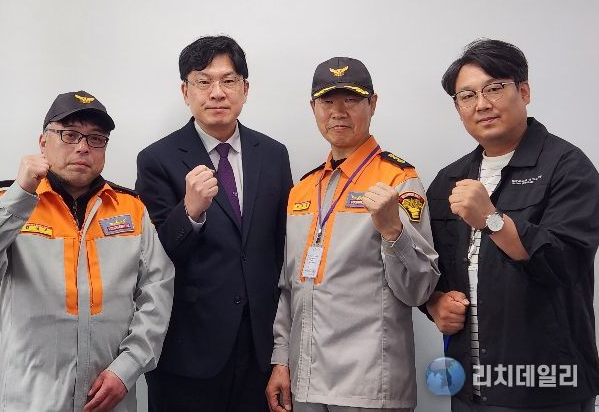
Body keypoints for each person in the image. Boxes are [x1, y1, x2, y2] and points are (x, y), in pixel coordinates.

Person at [0, 91, 174, 412]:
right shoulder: (6, 201)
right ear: (43, 142)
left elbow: (158, 293)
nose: (83, 147)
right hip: (32, 401)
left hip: (110, 399)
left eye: (96, 139)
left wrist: (127, 369)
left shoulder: (131, 208)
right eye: (69, 135)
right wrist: (21, 193)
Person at [423, 39, 599, 411]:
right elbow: (432, 265)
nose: (481, 104)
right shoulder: (449, 179)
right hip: (468, 385)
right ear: (458, 108)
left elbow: (566, 263)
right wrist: (434, 303)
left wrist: (492, 220)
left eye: (494, 88)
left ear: (524, 91)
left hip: (545, 388)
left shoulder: (567, 166)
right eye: (467, 96)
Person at [266, 57, 440, 412]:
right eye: (327, 101)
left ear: (373, 104)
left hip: (368, 385)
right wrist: (281, 359)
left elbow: (419, 290)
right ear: (313, 108)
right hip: (305, 382)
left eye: (351, 100)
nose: (338, 112)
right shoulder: (303, 190)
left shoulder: (398, 180)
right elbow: (289, 286)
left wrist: (393, 230)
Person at [135, 35, 293, 411]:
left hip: (259, 349)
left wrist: (282, 351)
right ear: (185, 91)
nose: (217, 93)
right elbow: (152, 260)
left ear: (245, 89)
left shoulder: (273, 154)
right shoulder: (157, 159)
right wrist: (189, 212)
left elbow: (282, 250)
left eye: (228, 80)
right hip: (188, 351)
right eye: (203, 82)